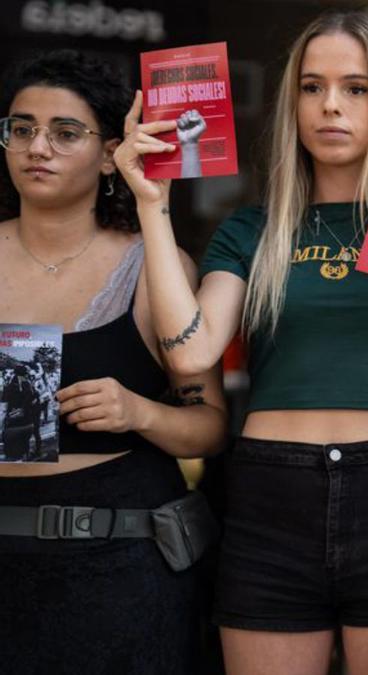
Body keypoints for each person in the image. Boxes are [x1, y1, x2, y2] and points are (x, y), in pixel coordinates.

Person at [115, 10, 368, 675]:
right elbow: (189, 352)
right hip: (271, 498)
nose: (331, 106)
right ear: (292, 103)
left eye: (356, 88)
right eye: (312, 87)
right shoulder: (252, 230)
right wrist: (152, 204)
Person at [0, 50, 228, 673]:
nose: (36, 147)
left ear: (109, 155)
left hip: (122, 561)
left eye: (64, 133)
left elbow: (210, 426)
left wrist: (137, 412)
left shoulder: (151, 265)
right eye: (21, 129)